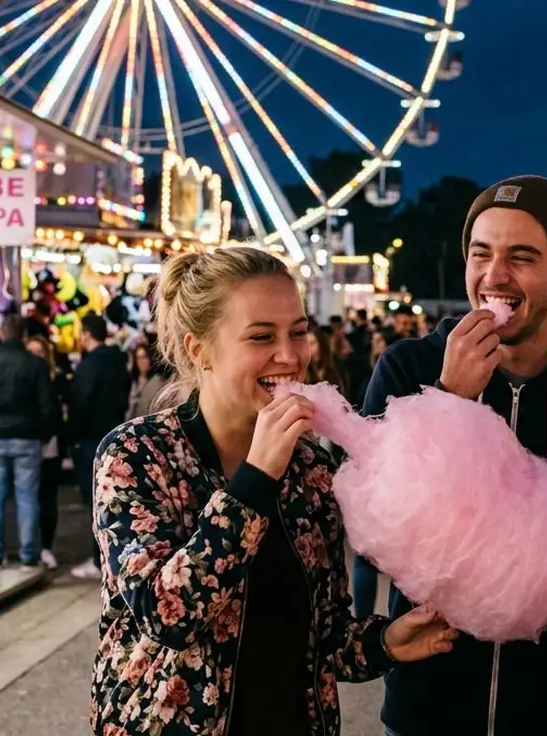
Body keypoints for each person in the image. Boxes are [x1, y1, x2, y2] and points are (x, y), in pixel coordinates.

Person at [89, 247, 457, 736]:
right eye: (262, 336)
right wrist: (256, 479)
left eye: (299, 332)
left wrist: (386, 642)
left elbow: (322, 638)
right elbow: (166, 617)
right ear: (198, 349)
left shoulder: (313, 471)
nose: (291, 356)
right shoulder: (136, 455)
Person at [365, 175, 547, 736]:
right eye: (481, 253)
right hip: (429, 706)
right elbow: (375, 536)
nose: (495, 276)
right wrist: (449, 402)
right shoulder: (408, 370)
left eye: (522, 257)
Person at [69, 312, 131, 579]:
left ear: (85, 333)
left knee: (95, 502)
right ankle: (109, 557)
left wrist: (72, 434)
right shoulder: (118, 361)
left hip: (92, 437)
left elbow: (80, 403)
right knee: (113, 500)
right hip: (114, 433)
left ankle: (98, 560)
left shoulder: (90, 366)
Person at [0, 315, 54, 568]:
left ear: (2, 333)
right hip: (28, 438)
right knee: (27, 496)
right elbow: (47, 406)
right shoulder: (35, 365)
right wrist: (42, 434)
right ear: (23, 336)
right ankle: (29, 554)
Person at [25, 335, 68, 570]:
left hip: (49, 448)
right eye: (31, 353)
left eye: (39, 353)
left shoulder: (56, 378)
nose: (35, 359)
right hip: (31, 443)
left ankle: (45, 547)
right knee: (27, 498)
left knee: (46, 499)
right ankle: (28, 547)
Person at [128, 343, 167, 419]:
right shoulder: (134, 382)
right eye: (138, 358)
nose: (141, 361)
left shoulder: (158, 382)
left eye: (144, 357)